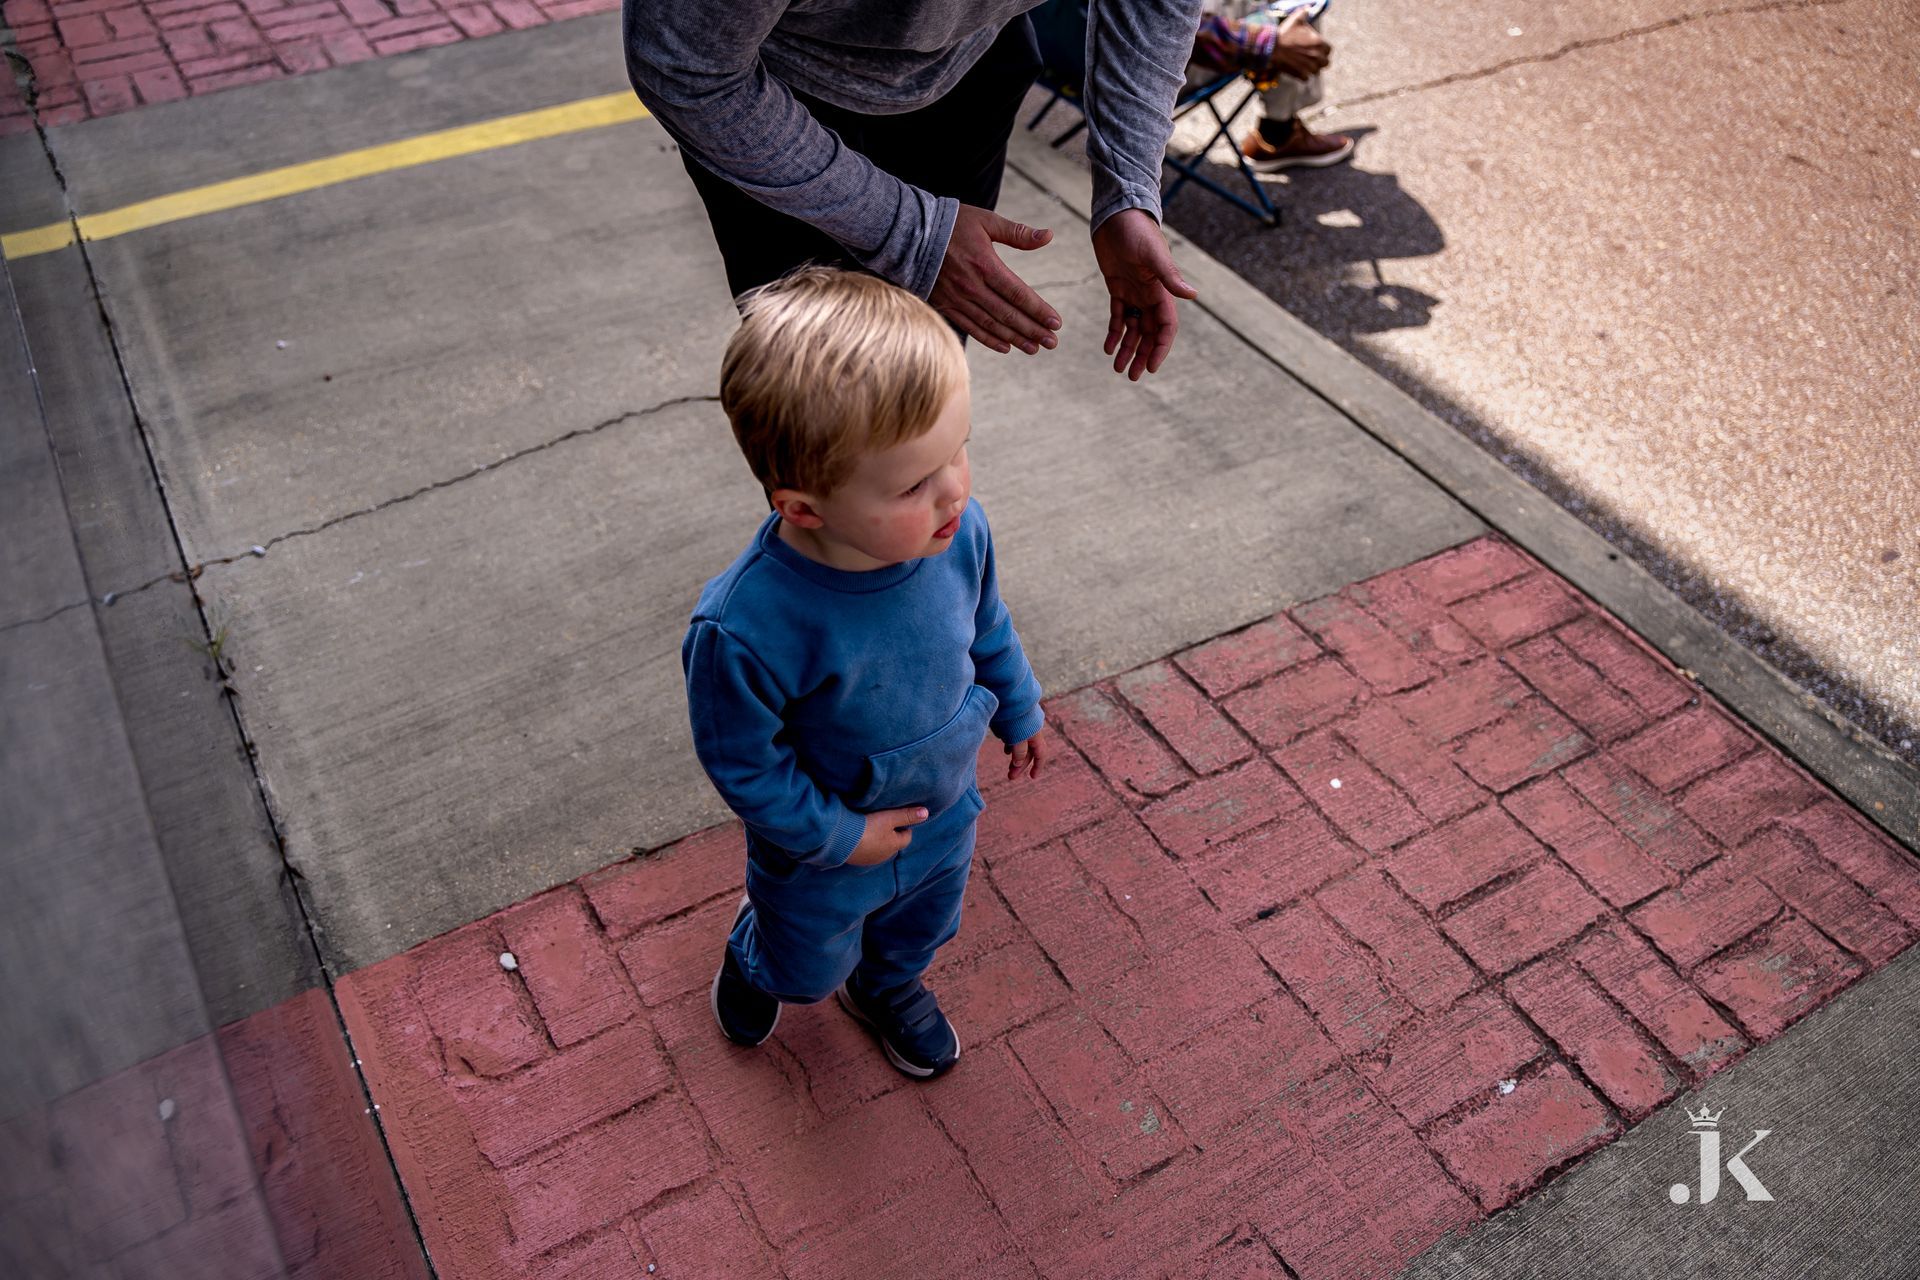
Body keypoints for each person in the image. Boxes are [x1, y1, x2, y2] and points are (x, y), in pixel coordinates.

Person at [684, 268, 1046, 1078]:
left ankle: (888, 986)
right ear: (804, 508)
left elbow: (985, 621)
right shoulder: (747, 625)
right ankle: (759, 955)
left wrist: (1018, 703)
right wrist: (842, 838)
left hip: (944, 809)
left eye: (958, 451)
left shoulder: (958, 534)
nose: (954, 491)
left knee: (923, 925)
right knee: (807, 965)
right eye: (915, 483)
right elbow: (745, 762)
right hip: (822, 847)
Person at [624, 1, 1204, 380]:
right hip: (779, 108)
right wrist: (911, 233)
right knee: (830, 415)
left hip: (976, 67)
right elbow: (684, 66)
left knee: (925, 394)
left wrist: (1128, 185)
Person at [1191, 2, 1353, 170]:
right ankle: (1278, 134)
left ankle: (1277, 130)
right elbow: (1169, 25)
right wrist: (1267, 44)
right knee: (1288, 14)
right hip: (1173, 68)